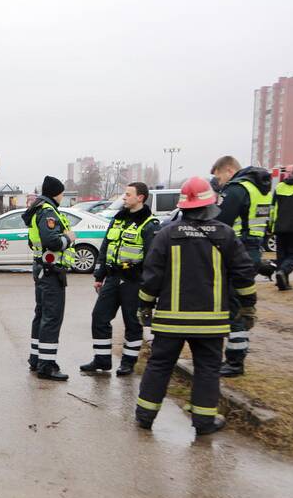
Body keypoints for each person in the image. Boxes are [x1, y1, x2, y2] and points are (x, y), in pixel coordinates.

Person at [134, 177, 257, 435]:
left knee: (159, 365)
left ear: (184, 206)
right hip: (210, 322)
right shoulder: (225, 234)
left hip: (170, 320)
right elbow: (244, 273)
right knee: (207, 369)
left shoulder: (167, 234)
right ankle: (203, 422)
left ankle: (145, 416)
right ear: (210, 204)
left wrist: (145, 306)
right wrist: (248, 307)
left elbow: (151, 276)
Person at [81, 182, 160, 376]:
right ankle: (101, 360)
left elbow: (153, 258)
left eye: (128, 194)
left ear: (140, 197)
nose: (124, 198)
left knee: (133, 324)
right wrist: (99, 275)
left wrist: (148, 286)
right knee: (99, 317)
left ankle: (128, 362)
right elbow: (106, 246)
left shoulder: (149, 224)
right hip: (113, 277)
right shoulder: (118, 219)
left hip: (134, 281)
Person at [211, 155, 272, 377]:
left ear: (228, 170)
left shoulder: (237, 188)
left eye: (218, 176)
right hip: (252, 250)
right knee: (237, 303)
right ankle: (235, 358)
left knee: (233, 307)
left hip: (237, 251)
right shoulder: (261, 189)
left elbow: (221, 221)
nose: (218, 182)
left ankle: (235, 362)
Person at [21, 176, 76, 381]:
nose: (63, 196)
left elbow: (32, 242)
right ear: (56, 192)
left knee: (42, 315)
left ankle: (36, 359)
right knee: (51, 317)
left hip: (42, 269)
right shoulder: (48, 212)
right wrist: (68, 239)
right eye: (62, 192)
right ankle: (47, 366)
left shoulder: (38, 209)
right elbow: (51, 241)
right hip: (51, 271)